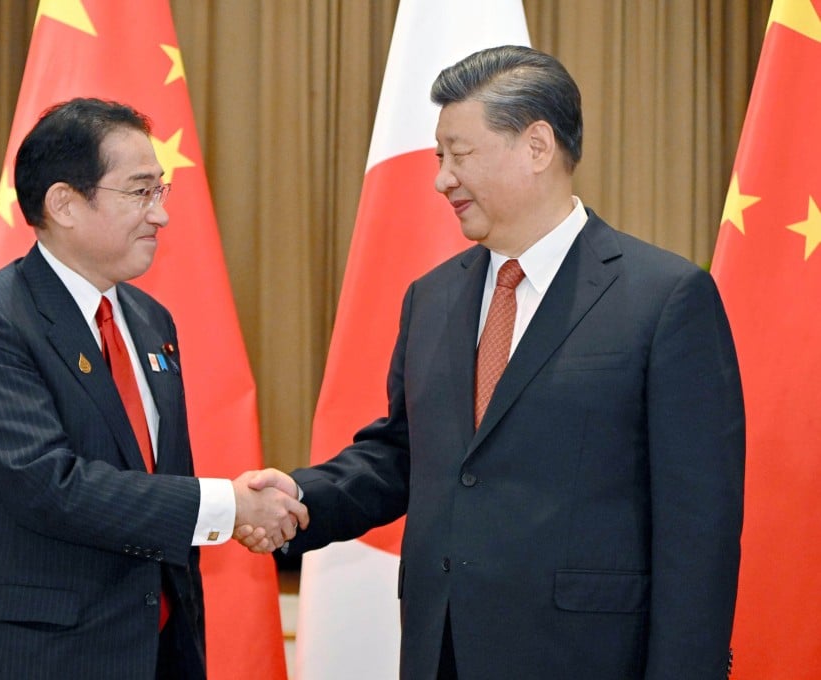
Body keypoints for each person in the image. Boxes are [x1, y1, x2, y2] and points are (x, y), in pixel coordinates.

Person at [241, 46, 744, 679]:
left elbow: (699, 527)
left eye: (460, 153)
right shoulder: (432, 296)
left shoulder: (664, 298)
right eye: (437, 156)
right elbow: (404, 454)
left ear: (537, 146)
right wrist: (300, 498)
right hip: (442, 652)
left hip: (588, 659)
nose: (441, 178)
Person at [0, 98, 307, 680]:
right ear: (64, 204)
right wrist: (227, 505)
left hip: (151, 653)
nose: (161, 215)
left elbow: (156, 478)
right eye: (139, 192)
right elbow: (50, 486)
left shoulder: (151, 320)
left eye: (161, 190)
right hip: (31, 658)